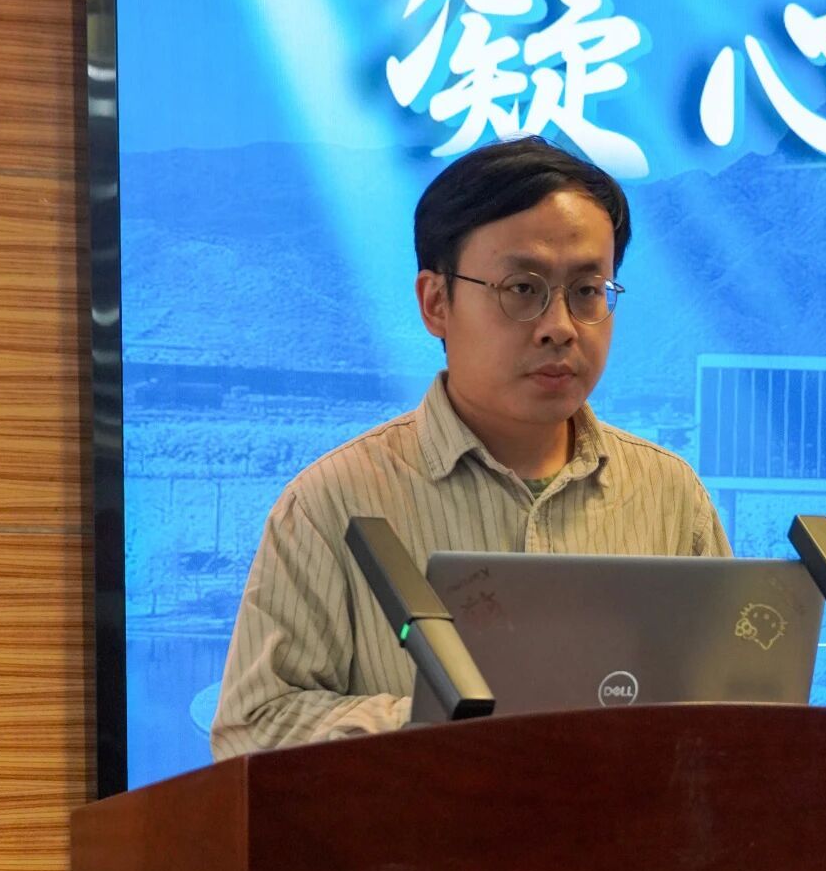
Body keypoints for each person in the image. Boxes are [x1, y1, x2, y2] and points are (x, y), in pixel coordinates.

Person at [210, 136, 731, 758]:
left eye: (588, 290)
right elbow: (251, 730)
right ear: (436, 302)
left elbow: (730, 708)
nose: (560, 327)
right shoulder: (331, 504)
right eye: (522, 289)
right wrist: (448, 727)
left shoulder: (670, 495)